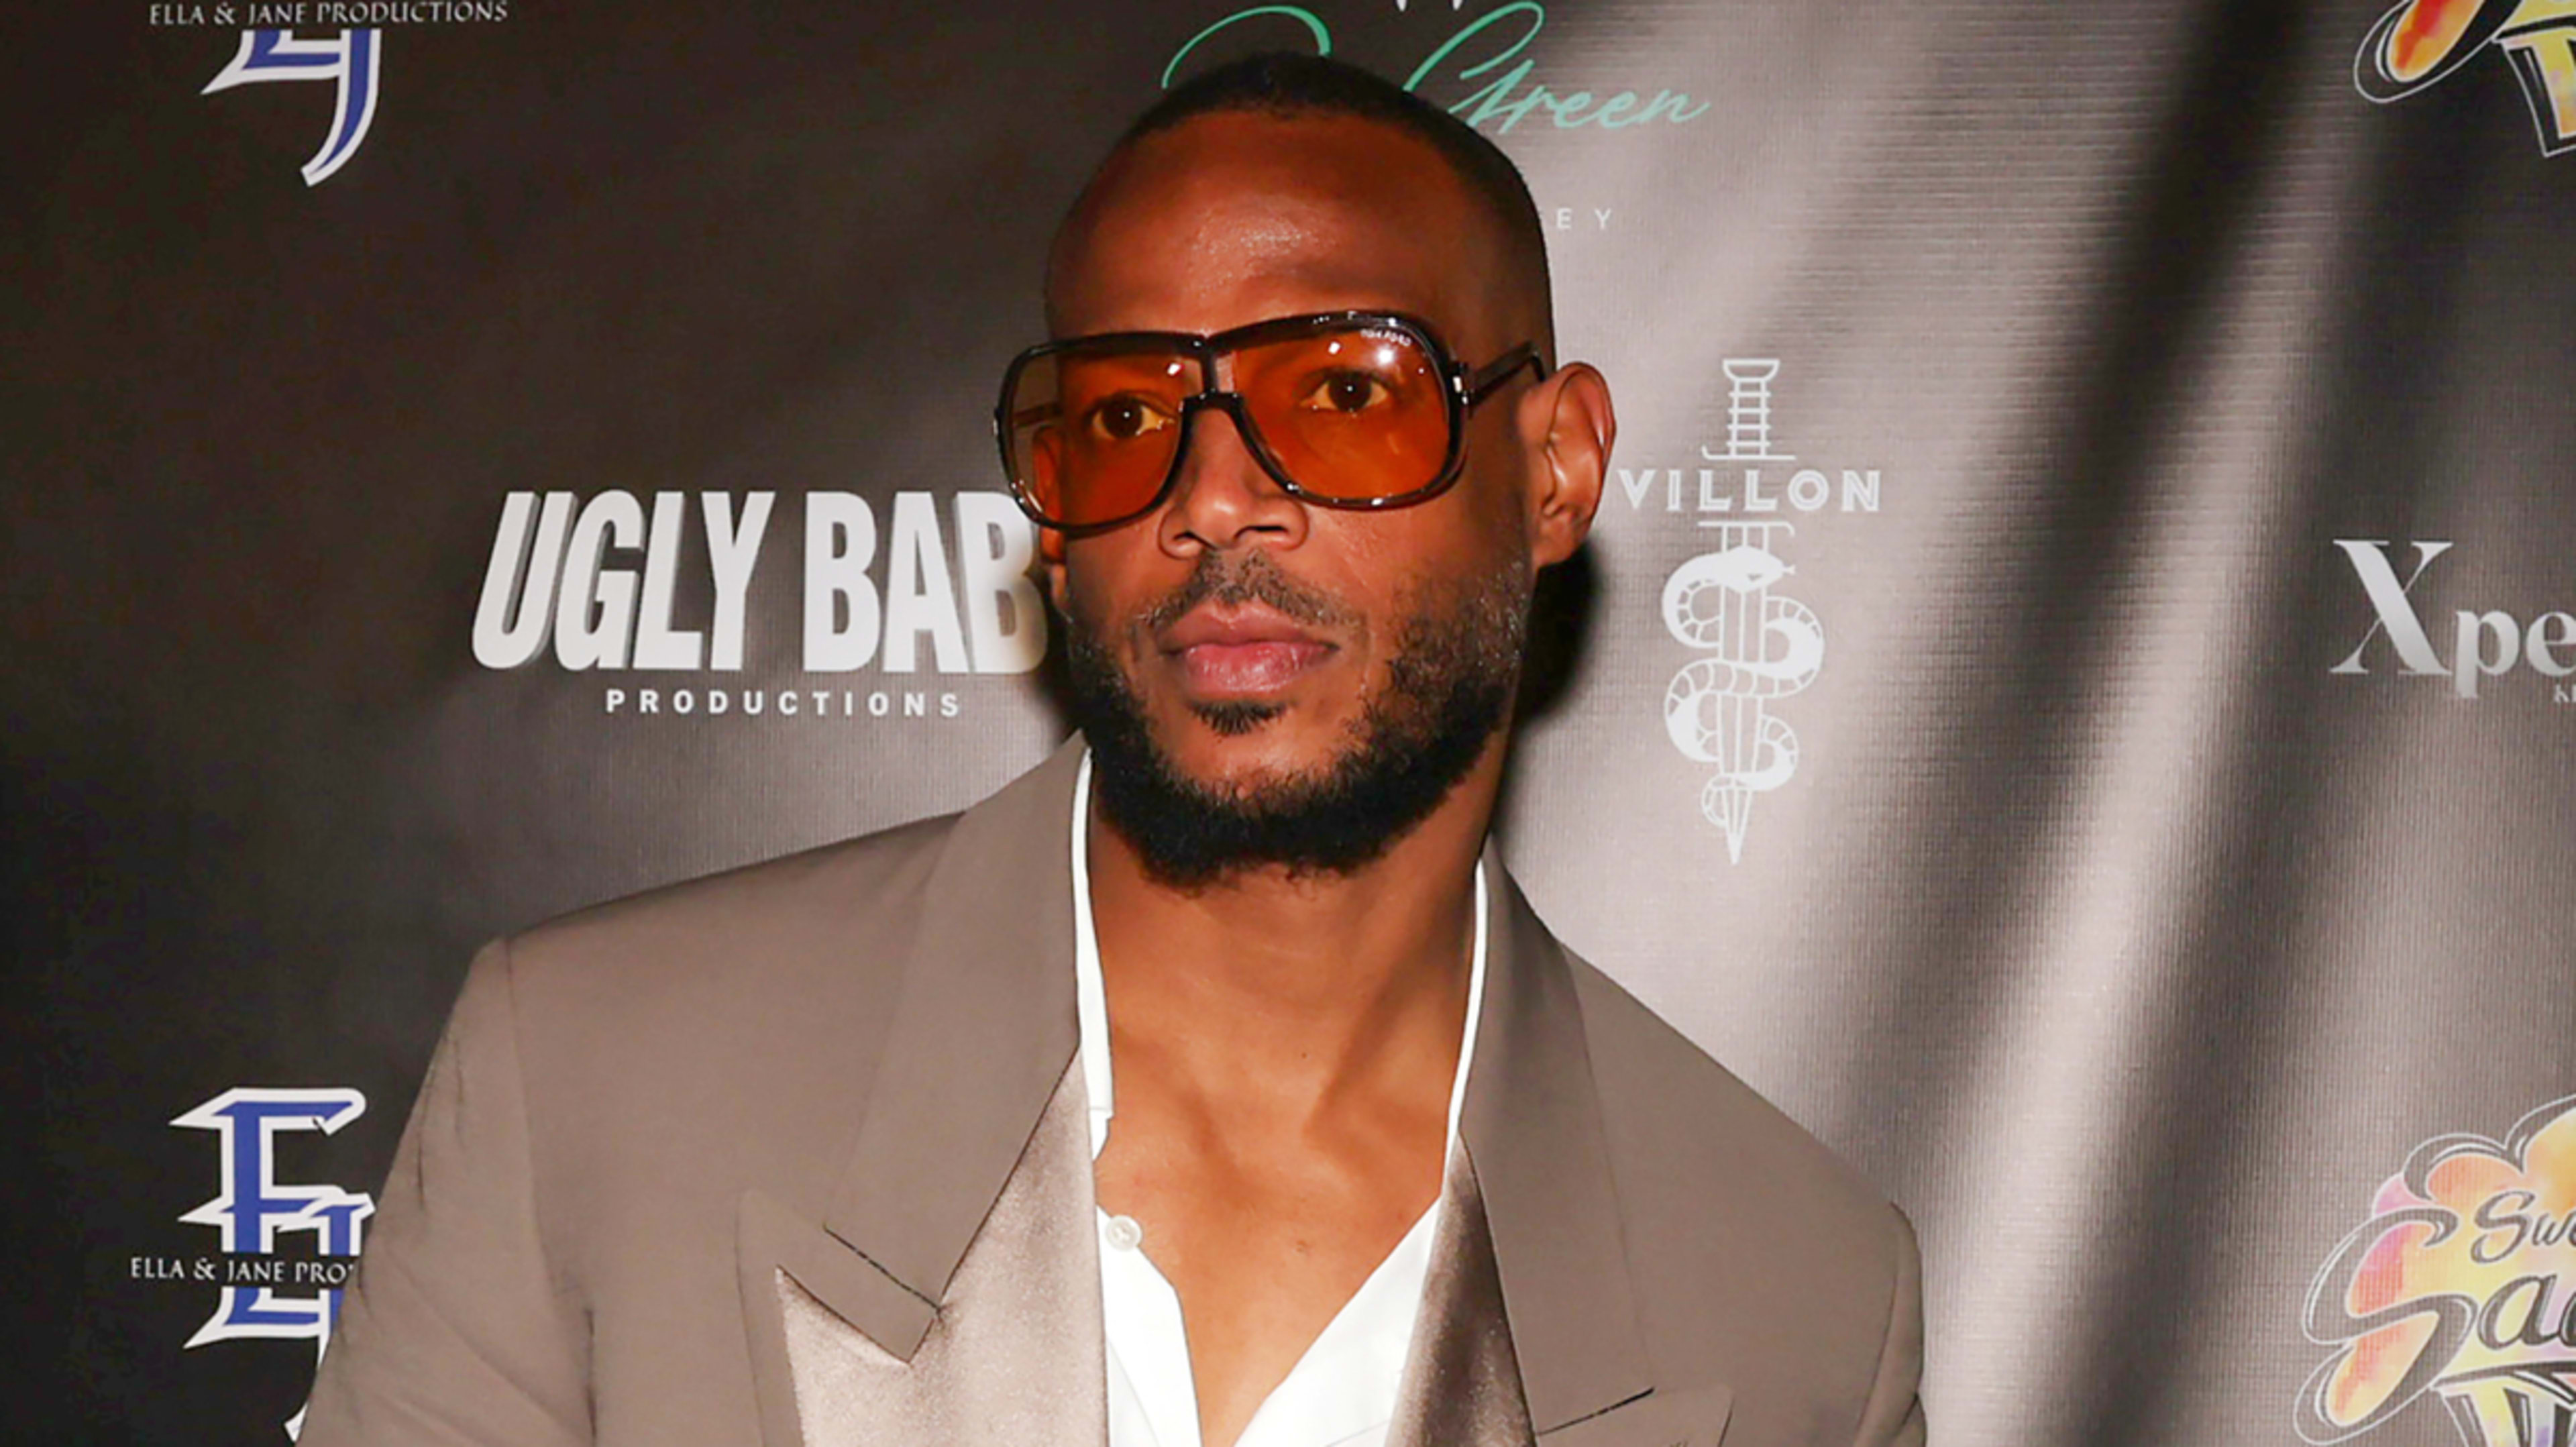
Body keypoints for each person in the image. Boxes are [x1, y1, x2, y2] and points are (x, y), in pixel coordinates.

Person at [301, 52, 1923, 1447]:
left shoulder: (1802, 1300)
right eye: (1128, 415)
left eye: (1344, 390)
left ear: (1555, 463)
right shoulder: (591, 1082)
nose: (1213, 498)